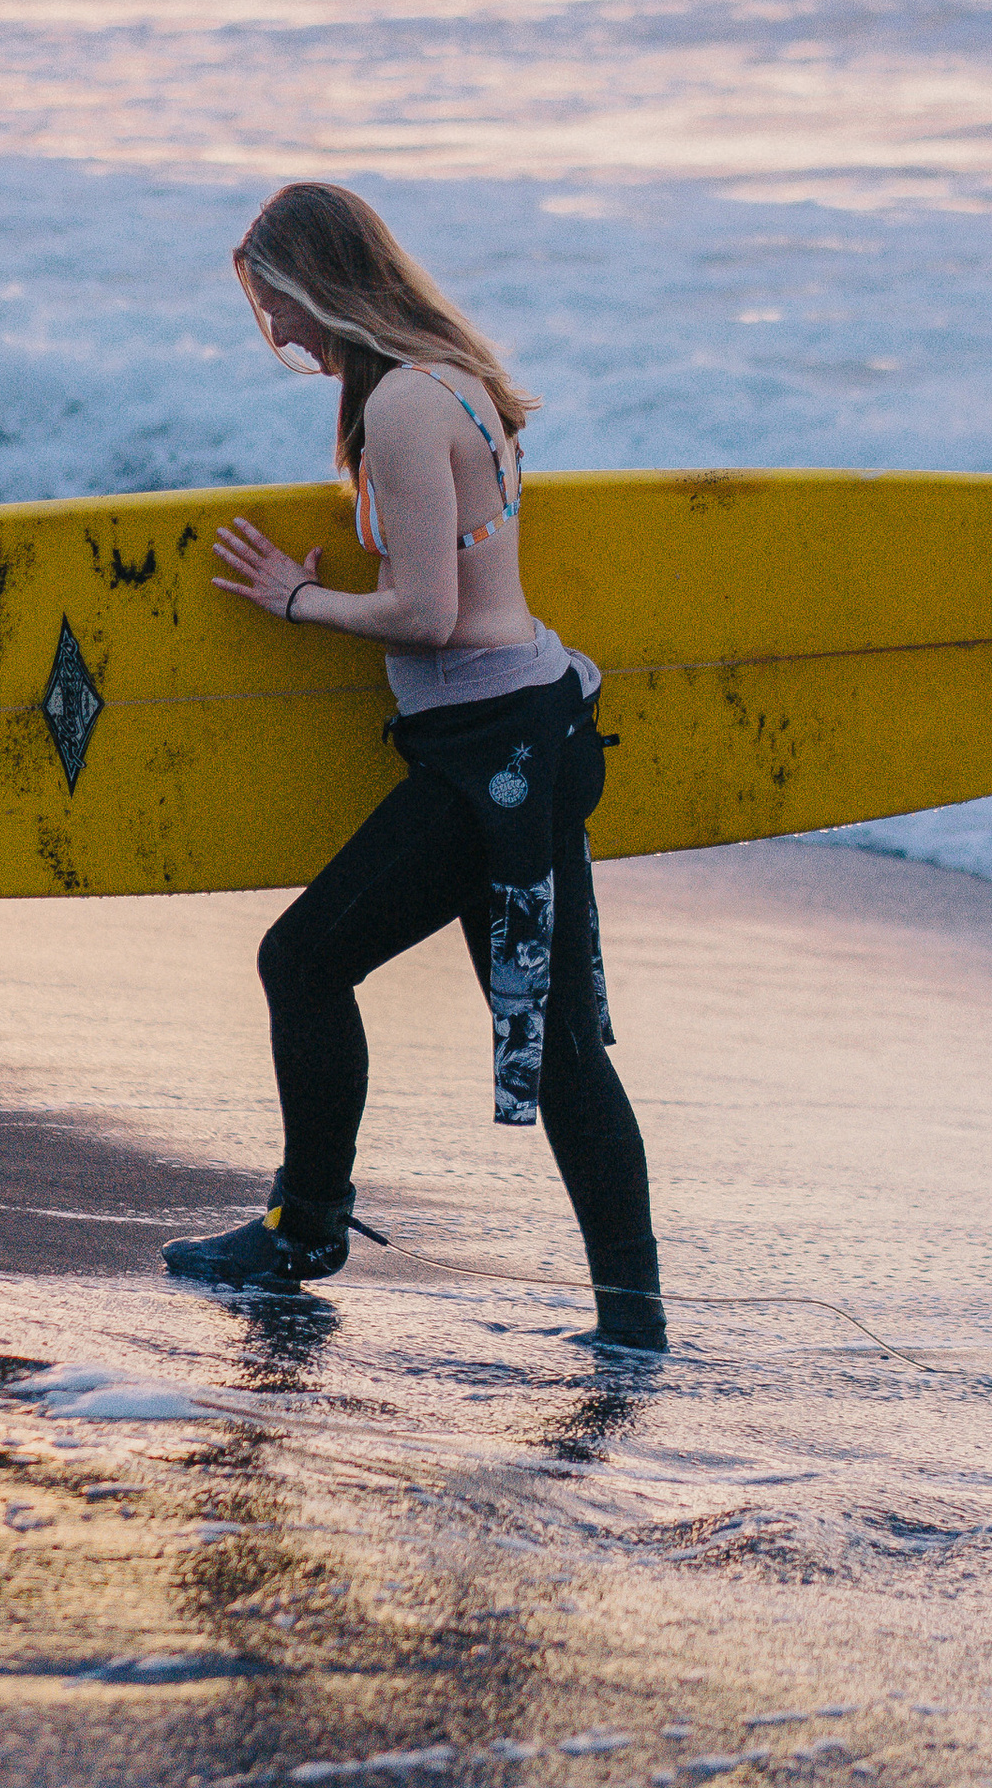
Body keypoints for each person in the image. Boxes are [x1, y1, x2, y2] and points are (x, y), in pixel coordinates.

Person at [167, 182, 668, 1354]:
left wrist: (301, 602)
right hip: (523, 734)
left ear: (314, 284)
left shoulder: (398, 403)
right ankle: (632, 1317)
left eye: (271, 307)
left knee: (301, 961)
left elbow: (432, 614)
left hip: (487, 757)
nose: (275, 337)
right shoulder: (450, 381)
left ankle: (305, 1231)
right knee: (552, 1042)